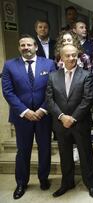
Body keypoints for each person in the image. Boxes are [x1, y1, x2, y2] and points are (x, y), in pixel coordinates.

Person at [2, 34, 56, 200]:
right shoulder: (9, 65)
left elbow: (53, 89)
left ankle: (43, 178)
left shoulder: (49, 64)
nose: (26, 48)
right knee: (23, 151)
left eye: (29, 45)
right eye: (22, 45)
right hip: (22, 117)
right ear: (19, 48)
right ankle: (21, 183)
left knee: (45, 149)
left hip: (43, 116)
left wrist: (42, 109)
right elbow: (8, 92)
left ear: (36, 47)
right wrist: (25, 111)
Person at [46, 44, 93, 198]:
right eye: (67, 55)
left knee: (86, 154)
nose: (71, 58)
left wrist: (73, 118)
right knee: (65, 155)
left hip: (80, 122)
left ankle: (91, 184)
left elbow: (87, 99)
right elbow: (49, 100)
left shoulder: (86, 75)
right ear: (61, 58)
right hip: (61, 124)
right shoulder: (53, 76)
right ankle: (67, 183)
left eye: (74, 55)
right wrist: (62, 117)